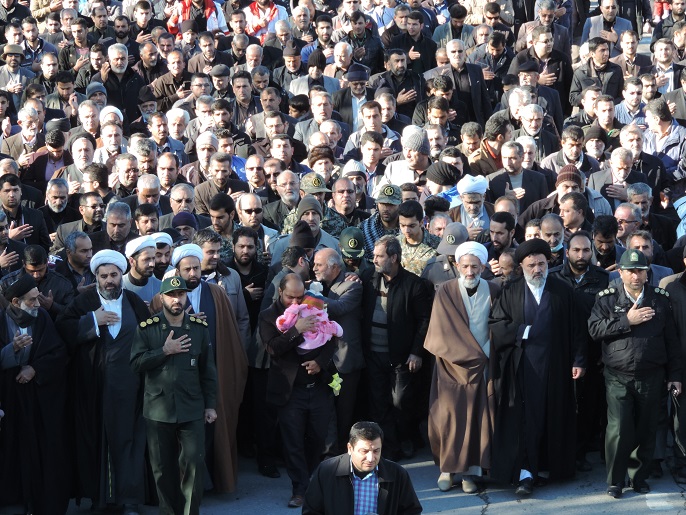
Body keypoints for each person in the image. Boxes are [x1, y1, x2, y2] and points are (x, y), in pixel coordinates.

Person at [56, 250, 151, 513]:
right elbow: (62, 327)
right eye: (103, 276)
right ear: (96, 277)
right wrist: (92, 321)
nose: (109, 280)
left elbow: (151, 332)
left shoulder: (134, 301)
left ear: (121, 275)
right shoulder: (84, 302)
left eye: (113, 275)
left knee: (130, 443)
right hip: (94, 389)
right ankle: (101, 500)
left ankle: (128, 500)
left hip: (130, 389)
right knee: (97, 443)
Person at [489, 238, 585, 496]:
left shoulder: (562, 290)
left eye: (541, 264)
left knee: (553, 415)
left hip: (557, 367)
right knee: (525, 420)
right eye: (531, 265)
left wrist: (578, 360)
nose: (537, 270)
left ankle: (549, 468)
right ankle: (525, 472)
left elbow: (577, 329)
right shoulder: (511, 291)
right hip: (523, 368)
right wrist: (522, 331)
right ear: (521, 266)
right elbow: (496, 324)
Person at [149, 243, 247, 493]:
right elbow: (154, 337)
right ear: (177, 271)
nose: (193, 274)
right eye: (187, 269)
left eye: (196, 268)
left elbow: (231, 336)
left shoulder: (216, 293)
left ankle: (213, 480)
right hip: (180, 377)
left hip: (212, 370)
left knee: (214, 424)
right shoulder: (164, 298)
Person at [589, 249, 682, 498]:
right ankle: (615, 480)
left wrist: (675, 375)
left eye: (640, 271)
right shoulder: (607, 298)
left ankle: (638, 477)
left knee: (646, 428)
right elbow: (594, 329)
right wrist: (626, 321)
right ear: (620, 272)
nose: (635, 276)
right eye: (630, 271)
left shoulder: (659, 299)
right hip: (618, 376)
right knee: (619, 429)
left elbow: (671, 341)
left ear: (647, 273)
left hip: (651, 375)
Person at [130, 276, 217, 515]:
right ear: (161, 298)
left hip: (191, 407)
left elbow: (208, 370)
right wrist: (164, 351)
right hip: (158, 408)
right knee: (162, 469)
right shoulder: (147, 328)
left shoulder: (198, 329)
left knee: (194, 464)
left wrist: (211, 405)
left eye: (181, 294)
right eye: (171, 295)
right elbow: (136, 363)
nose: (176, 299)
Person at [424, 242, 500, 494]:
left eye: (475, 266)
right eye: (465, 266)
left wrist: (486, 353)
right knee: (449, 418)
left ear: (483, 266)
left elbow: (499, 325)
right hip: (451, 366)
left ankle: (470, 472)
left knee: (477, 418)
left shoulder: (494, 289)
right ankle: (447, 469)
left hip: (483, 365)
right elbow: (441, 330)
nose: (470, 271)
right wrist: (471, 355)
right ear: (457, 266)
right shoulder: (445, 291)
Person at [259, 272, 337, 508]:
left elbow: (331, 338)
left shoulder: (313, 306)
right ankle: (300, 488)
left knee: (318, 437)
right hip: (290, 391)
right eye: (290, 297)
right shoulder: (268, 315)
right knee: (293, 441)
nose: (295, 302)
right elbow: (273, 348)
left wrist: (320, 363)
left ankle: (309, 477)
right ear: (280, 292)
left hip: (318, 386)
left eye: (299, 297)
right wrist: (296, 330)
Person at [0, 274, 69, 515]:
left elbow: (58, 352)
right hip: (8, 398)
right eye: (32, 300)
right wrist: (12, 350)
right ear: (15, 301)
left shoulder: (43, 319)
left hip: (37, 399)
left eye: (38, 298)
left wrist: (35, 369)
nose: (38, 304)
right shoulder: (1, 321)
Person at [362, 235, 433, 460]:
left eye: (379, 256)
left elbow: (424, 321)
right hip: (373, 354)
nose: (374, 260)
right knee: (378, 402)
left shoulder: (413, 285)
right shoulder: (368, 278)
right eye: (374, 255)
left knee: (400, 401)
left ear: (393, 258)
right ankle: (389, 446)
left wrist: (416, 352)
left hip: (401, 358)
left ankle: (406, 439)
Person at [303, 421, 423, 515]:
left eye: (376, 451)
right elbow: (311, 511)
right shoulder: (326, 472)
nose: (370, 458)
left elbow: (411, 511)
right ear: (350, 448)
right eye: (364, 451)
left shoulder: (397, 474)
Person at [123, 235, 162, 303]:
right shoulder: (119, 286)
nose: (152, 264)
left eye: (153, 258)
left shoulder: (160, 287)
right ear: (132, 261)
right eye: (146, 259)